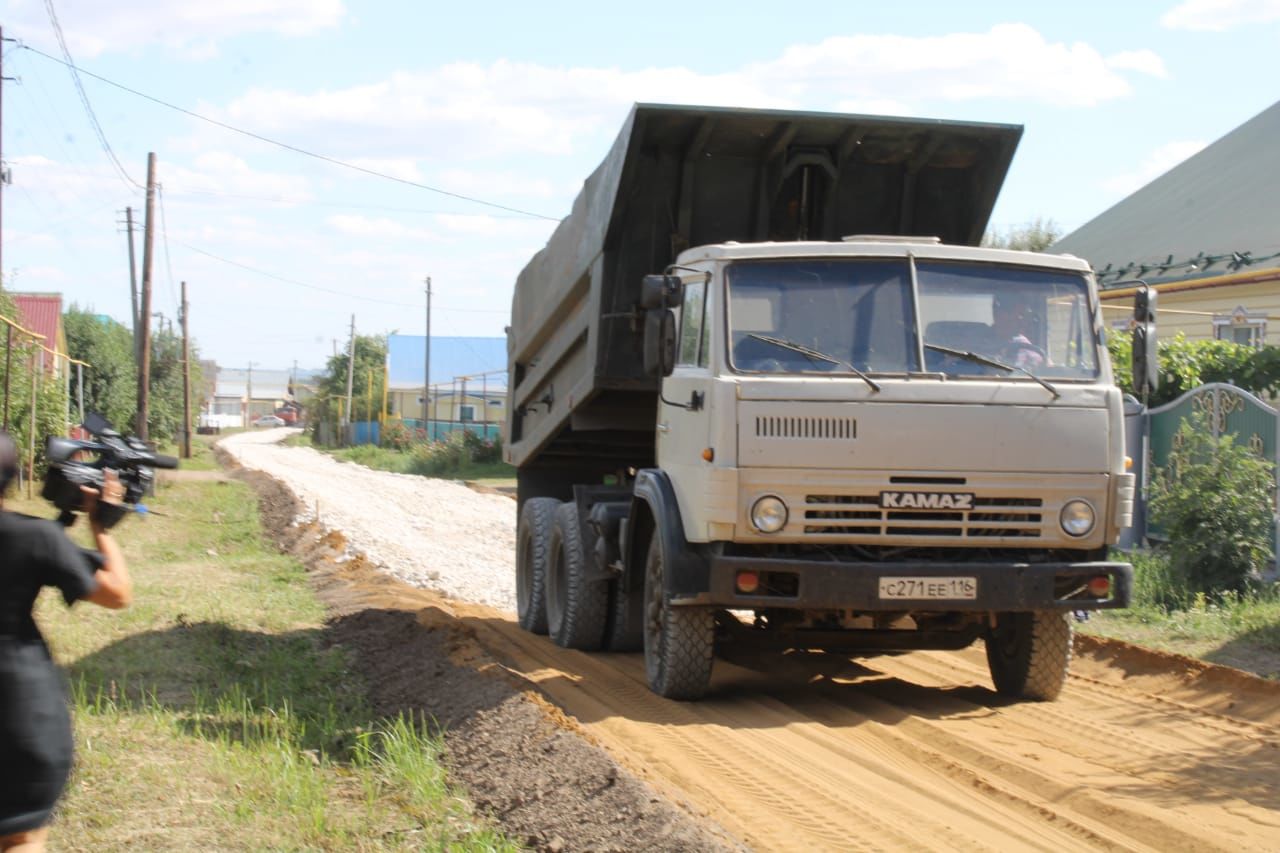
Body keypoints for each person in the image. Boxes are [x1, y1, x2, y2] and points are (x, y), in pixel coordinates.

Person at [0, 430, 132, 853]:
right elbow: (117, 593)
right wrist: (101, 525)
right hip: (20, 715)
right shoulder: (34, 538)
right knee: (20, 838)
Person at [988, 292, 1047, 371]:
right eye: (1019, 315)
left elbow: (1046, 369)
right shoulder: (976, 343)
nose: (1022, 321)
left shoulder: (1025, 345)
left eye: (1024, 315)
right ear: (999, 314)